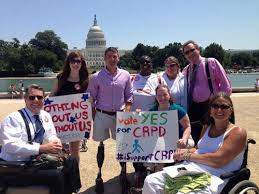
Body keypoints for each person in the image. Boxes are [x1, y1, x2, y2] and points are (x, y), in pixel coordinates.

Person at [142, 92, 247, 194]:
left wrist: (187, 155)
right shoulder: (207, 127)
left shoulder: (237, 132)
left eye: (224, 106)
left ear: (231, 110)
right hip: (191, 169)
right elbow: (198, 148)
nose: (219, 109)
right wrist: (182, 151)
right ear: (210, 110)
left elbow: (218, 160)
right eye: (215, 106)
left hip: (216, 176)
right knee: (151, 181)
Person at [0, 84, 81, 194]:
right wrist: (41, 148)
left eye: (39, 97)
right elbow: (10, 146)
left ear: (44, 99)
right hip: (16, 166)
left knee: (71, 161)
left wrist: (55, 142)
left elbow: (50, 134)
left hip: (35, 161)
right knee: (57, 175)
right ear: (25, 99)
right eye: (32, 97)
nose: (36, 100)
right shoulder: (13, 119)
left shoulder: (45, 115)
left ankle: (73, 189)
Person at [87, 47, 133, 192]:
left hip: (120, 115)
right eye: (109, 56)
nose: (112, 59)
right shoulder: (96, 77)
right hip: (102, 114)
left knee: (122, 146)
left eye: (114, 56)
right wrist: (95, 116)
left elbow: (129, 96)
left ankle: (123, 172)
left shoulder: (125, 75)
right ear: (105, 58)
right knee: (101, 145)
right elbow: (91, 97)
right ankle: (99, 174)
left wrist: (126, 113)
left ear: (118, 58)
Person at [182, 40, 232, 144]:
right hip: (194, 107)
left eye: (192, 50)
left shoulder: (211, 62)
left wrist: (220, 104)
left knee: (215, 135)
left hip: (211, 105)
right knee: (196, 135)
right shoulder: (186, 70)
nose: (190, 54)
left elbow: (225, 85)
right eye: (186, 53)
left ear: (198, 50)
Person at [49, 51, 89, 162]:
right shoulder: (61, 78)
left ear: (82, 63)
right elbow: (52, 95)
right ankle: (61, 174)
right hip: (60, 119)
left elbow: (88, 99)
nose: (76, 64)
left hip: (76, 120)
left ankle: (74, 175)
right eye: (73, 61)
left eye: (78, 61)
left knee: (74, 149)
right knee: (58, 148)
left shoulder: (85, 80)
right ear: (69, 62)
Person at [131, 55, 163, 188]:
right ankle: (138, 170)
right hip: (136, 118)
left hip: (153, 118)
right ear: (139, 65)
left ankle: (150, 171)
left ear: (152, 64)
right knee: (137, 146)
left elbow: (163, 96)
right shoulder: (132, 78)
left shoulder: (159, 78)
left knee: (152, 145)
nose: (145, 64)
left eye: (148, 62)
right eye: (143, 62)